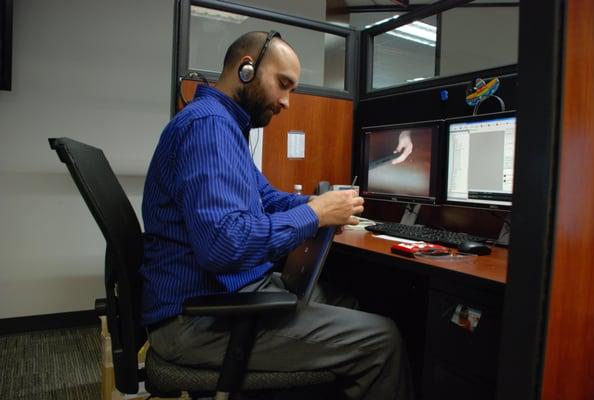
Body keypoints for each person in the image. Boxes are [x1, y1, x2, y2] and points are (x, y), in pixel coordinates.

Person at [140, 31, 413, 400]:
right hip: (197, 320)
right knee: (383, 340)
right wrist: (315, 214)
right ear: (246, 69)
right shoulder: (208, 127)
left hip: (216, 301)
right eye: (283, 85)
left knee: (346, 300)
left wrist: (329, 209)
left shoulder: (223, 126)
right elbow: (223, 244)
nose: (286, 102)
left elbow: (266, 198)